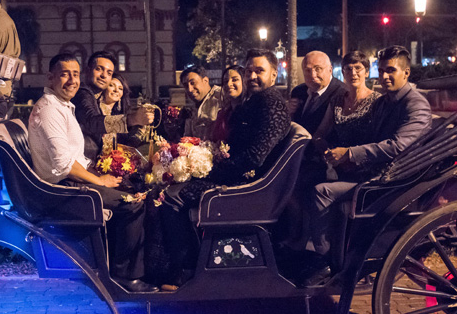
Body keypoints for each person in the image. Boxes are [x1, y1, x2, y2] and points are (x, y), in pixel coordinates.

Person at [292, 46, 431, 286]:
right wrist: (341, 157)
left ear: (406, 73)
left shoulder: (415, 105)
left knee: (321, 192)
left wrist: (350, 154)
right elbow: (364, 137)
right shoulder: (385, 102)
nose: (385, 76)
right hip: (369, 172)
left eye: (392, 71)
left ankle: (327, 262)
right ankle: (319, 251)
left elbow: (397, 146)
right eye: (383, 71)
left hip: (392, 181)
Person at [154, 50, 291, 288]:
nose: (253, 76)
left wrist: (210, 171)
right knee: (173, 188)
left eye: (259, 71)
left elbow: (254, 158)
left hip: (249, 186)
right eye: (249, 71)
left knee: (172, 198)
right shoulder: (255, 102)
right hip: (239, 176)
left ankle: (185, 269)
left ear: (274, 74)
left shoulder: (271, 104)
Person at [28, 53, 156, 293]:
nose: (71, 80)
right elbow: (64, 163)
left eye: (74, 74)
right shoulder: (50, 110)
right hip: (65, 187)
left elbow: (77, 155)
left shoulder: (64, 106)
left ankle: (136, 267)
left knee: (136, 191)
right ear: (50, 77)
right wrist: (100, 180)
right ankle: (124, 277)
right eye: (65, 74)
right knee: (132, 204)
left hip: (76, 177)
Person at [72, 51, 154, 160]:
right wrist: (133, 119)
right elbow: (91, 121)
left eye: (109, 73)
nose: (103, 75)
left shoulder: (96, 98)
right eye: (99, 69)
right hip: (80, 167)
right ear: (88, 70)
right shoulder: (82, 92)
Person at [289, 51, 346, 140]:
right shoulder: (298, 91)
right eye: (308, 70)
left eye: (318, 69)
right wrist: (289, 113)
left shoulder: (342, 93)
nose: (313, 75)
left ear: (330, 70)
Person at [180, 65, 225, 140]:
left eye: (193, 83)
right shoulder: (192, 109)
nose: (190, 89)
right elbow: (187, 139)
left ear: (205, 81)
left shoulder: (221, 96)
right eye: (185, 85)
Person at [208, 65, 245, 143]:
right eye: (225, 81)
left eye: (234, 80)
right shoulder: (223, 113)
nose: (228, 84)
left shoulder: (249, 112)